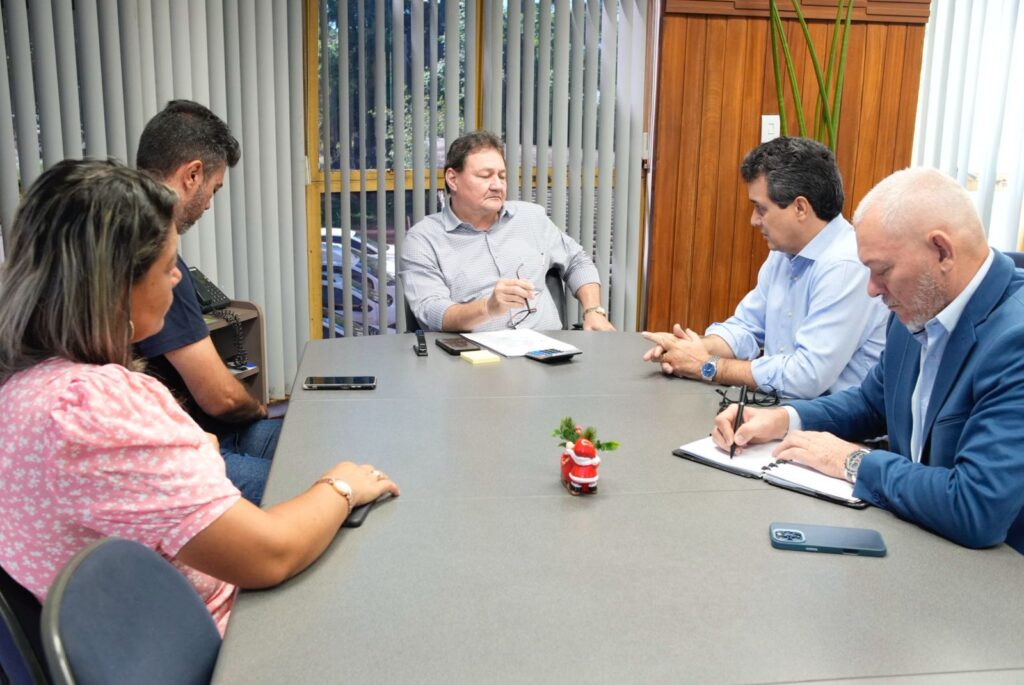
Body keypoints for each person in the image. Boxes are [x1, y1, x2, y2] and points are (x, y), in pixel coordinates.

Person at [0, 159, 399, 635]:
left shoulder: (25, 387)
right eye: (168, 266)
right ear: (118, 283)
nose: (176, 280)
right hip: (218, 639)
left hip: (122, 629)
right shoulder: (97, 407)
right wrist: (341, 486)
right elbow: (271, 554)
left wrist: (188, 455)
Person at [713, 167, 1024, 553]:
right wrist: (784, 419)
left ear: (942, 251)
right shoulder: (920, 306)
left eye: (882, 271)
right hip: (922, 542)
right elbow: (871, 402)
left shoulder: (1015, 338)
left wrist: (851, 461)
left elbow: (977, 508)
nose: (872, 290)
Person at [642, 137, 887, 399]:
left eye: (761, 208)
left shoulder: (846, 265)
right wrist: (692, 349)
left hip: (834, 429)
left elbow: (806, 377)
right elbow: (747, 327)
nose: (753, 220)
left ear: (800, 208)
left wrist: (707, 366)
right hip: (784, 411)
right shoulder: (785, 252)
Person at [134, 100, 277, 506]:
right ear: (192, 174)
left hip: (198, 435)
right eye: (213, 190)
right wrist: (259, 409)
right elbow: (221, 398)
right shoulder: (150, 257)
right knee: (312, 482)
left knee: (316, 444)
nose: (210, 204)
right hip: (189, 448)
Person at [400, 130, 616, 333]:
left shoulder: (532, 218)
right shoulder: (423, 240)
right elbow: (432, 311)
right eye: (486, 176)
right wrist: (488, 308)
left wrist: (593, 310)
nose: (497, 185)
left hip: (548, 353)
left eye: (502, 176)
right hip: (474, 361)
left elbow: (577, 261)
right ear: (453, 179)